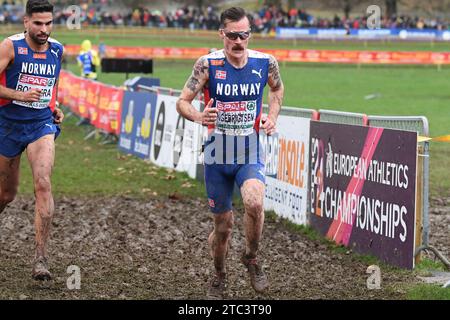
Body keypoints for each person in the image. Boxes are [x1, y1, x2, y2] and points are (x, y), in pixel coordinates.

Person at [176, 7, 284, 298]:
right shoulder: (207, 65)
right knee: (223, 228)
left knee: (254, 203)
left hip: (249, 150)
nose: (239, 42)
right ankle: (219, 274)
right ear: (222, 34)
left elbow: (276, 90)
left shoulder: (265, 63)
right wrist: (199, 117)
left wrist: (271, 116)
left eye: (244, 35)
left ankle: (251, 257)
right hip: (217, 154)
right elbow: (183, 101)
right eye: (233, 35)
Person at [0, 0, 64, 281]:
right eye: (38, 23)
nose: (44, 29)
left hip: (41, 124)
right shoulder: (10, 46)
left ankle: (40, 258)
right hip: (8, 124)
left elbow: (53, 85)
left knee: (43, 183)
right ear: (26, 22)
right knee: (6, 195)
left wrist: (55, 105)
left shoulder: (57, 49)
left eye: (48, 23)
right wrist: (18, 95)